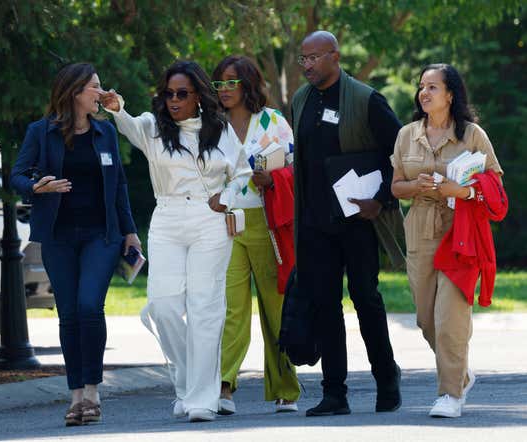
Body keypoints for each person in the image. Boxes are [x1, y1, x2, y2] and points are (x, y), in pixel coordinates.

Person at [100, 61, 251, 422]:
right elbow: (131, 125)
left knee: (204, 309)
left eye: (182, 94)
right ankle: (188, 384)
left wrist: (226, 198)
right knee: (163, 306)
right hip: (167, 218)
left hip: (209, 220)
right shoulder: (154, 129)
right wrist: (117, 108)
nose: (174, 100)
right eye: (168, 94)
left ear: (198, 95)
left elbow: (242, 172)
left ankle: (201, 399)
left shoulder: (219, 128)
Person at [10, 63, 140, 426]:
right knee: (68, 314)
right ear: (75, 93)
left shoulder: (105, 133)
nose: (101, 93)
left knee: (88, 306)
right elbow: (18, 174)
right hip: (58, 236)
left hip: (102, 235)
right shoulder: (41, 132)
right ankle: (76, 397)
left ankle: (93, 392)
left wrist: (129, 230)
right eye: (95, 87)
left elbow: (120, 185)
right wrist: (38, 186)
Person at [291, 31, 403, 416]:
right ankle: (334, 393)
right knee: (325, 305)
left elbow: (401, 152)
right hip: (315, 224)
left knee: (365, 299)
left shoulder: (366, 99)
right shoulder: (300, 100)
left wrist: (382, 199)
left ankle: (387, 380)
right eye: (302, 59)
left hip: (357, 220)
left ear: (335, 56)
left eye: (313, 58)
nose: (306, 65)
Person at [391, 64, 503, 418]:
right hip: (420, 229)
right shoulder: (407, 134)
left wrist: (464, 191)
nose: (424, 93)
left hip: (461, 230)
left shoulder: (473, 135)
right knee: (426, 319)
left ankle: (450, 394)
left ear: (450, 95)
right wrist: (416, 187)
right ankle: (462, 372)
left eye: (433, 87)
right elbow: (395, 187)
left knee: (450, 317)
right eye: (421, 86)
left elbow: (496, 187)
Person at [211, 55, 300, 414]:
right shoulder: (209, 126)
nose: (225, 89)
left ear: (248, 83)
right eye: (219, 83)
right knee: (231, 310)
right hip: (225, 225)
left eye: (231, 81)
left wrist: (273, 179)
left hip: (267, 222)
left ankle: (286, 389)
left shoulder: (274, 121)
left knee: (275, 308)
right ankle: (224, 387)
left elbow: (295, 169)